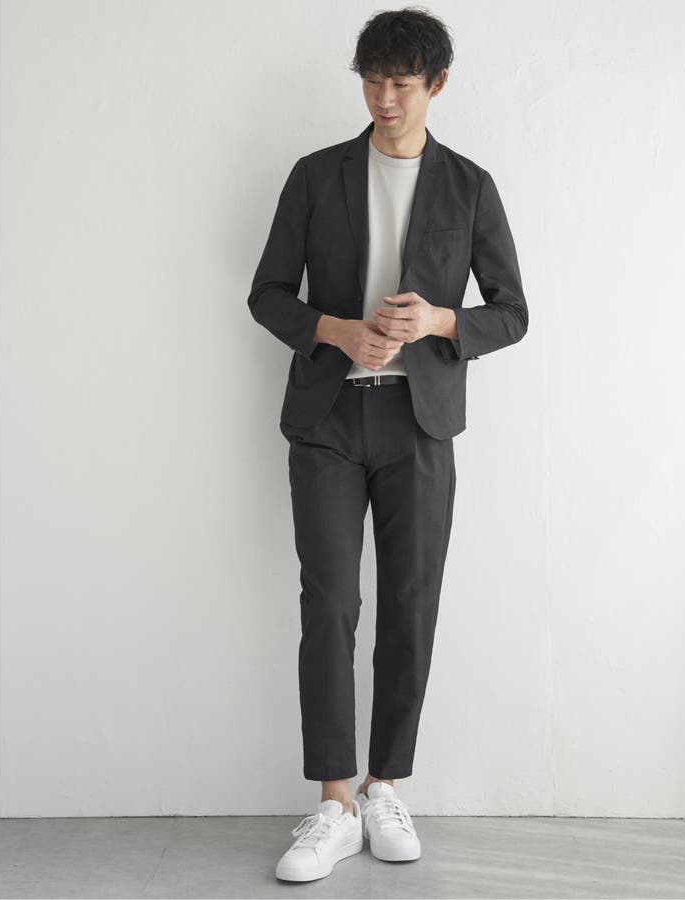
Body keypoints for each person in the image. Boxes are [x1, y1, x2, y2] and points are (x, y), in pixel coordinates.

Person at [247, 7, 529, 883]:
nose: (384, 98)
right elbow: (267, 294)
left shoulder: (469, 186)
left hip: (421, 422)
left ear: (436, 84)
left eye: (401, 83)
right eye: (371, 81)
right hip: (328, 420)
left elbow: (511, 313)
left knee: (410, 603)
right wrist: (335, 329)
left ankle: (385, 786)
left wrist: (441, 320)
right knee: (330, 603)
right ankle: (334, 804)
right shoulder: (316, 175)